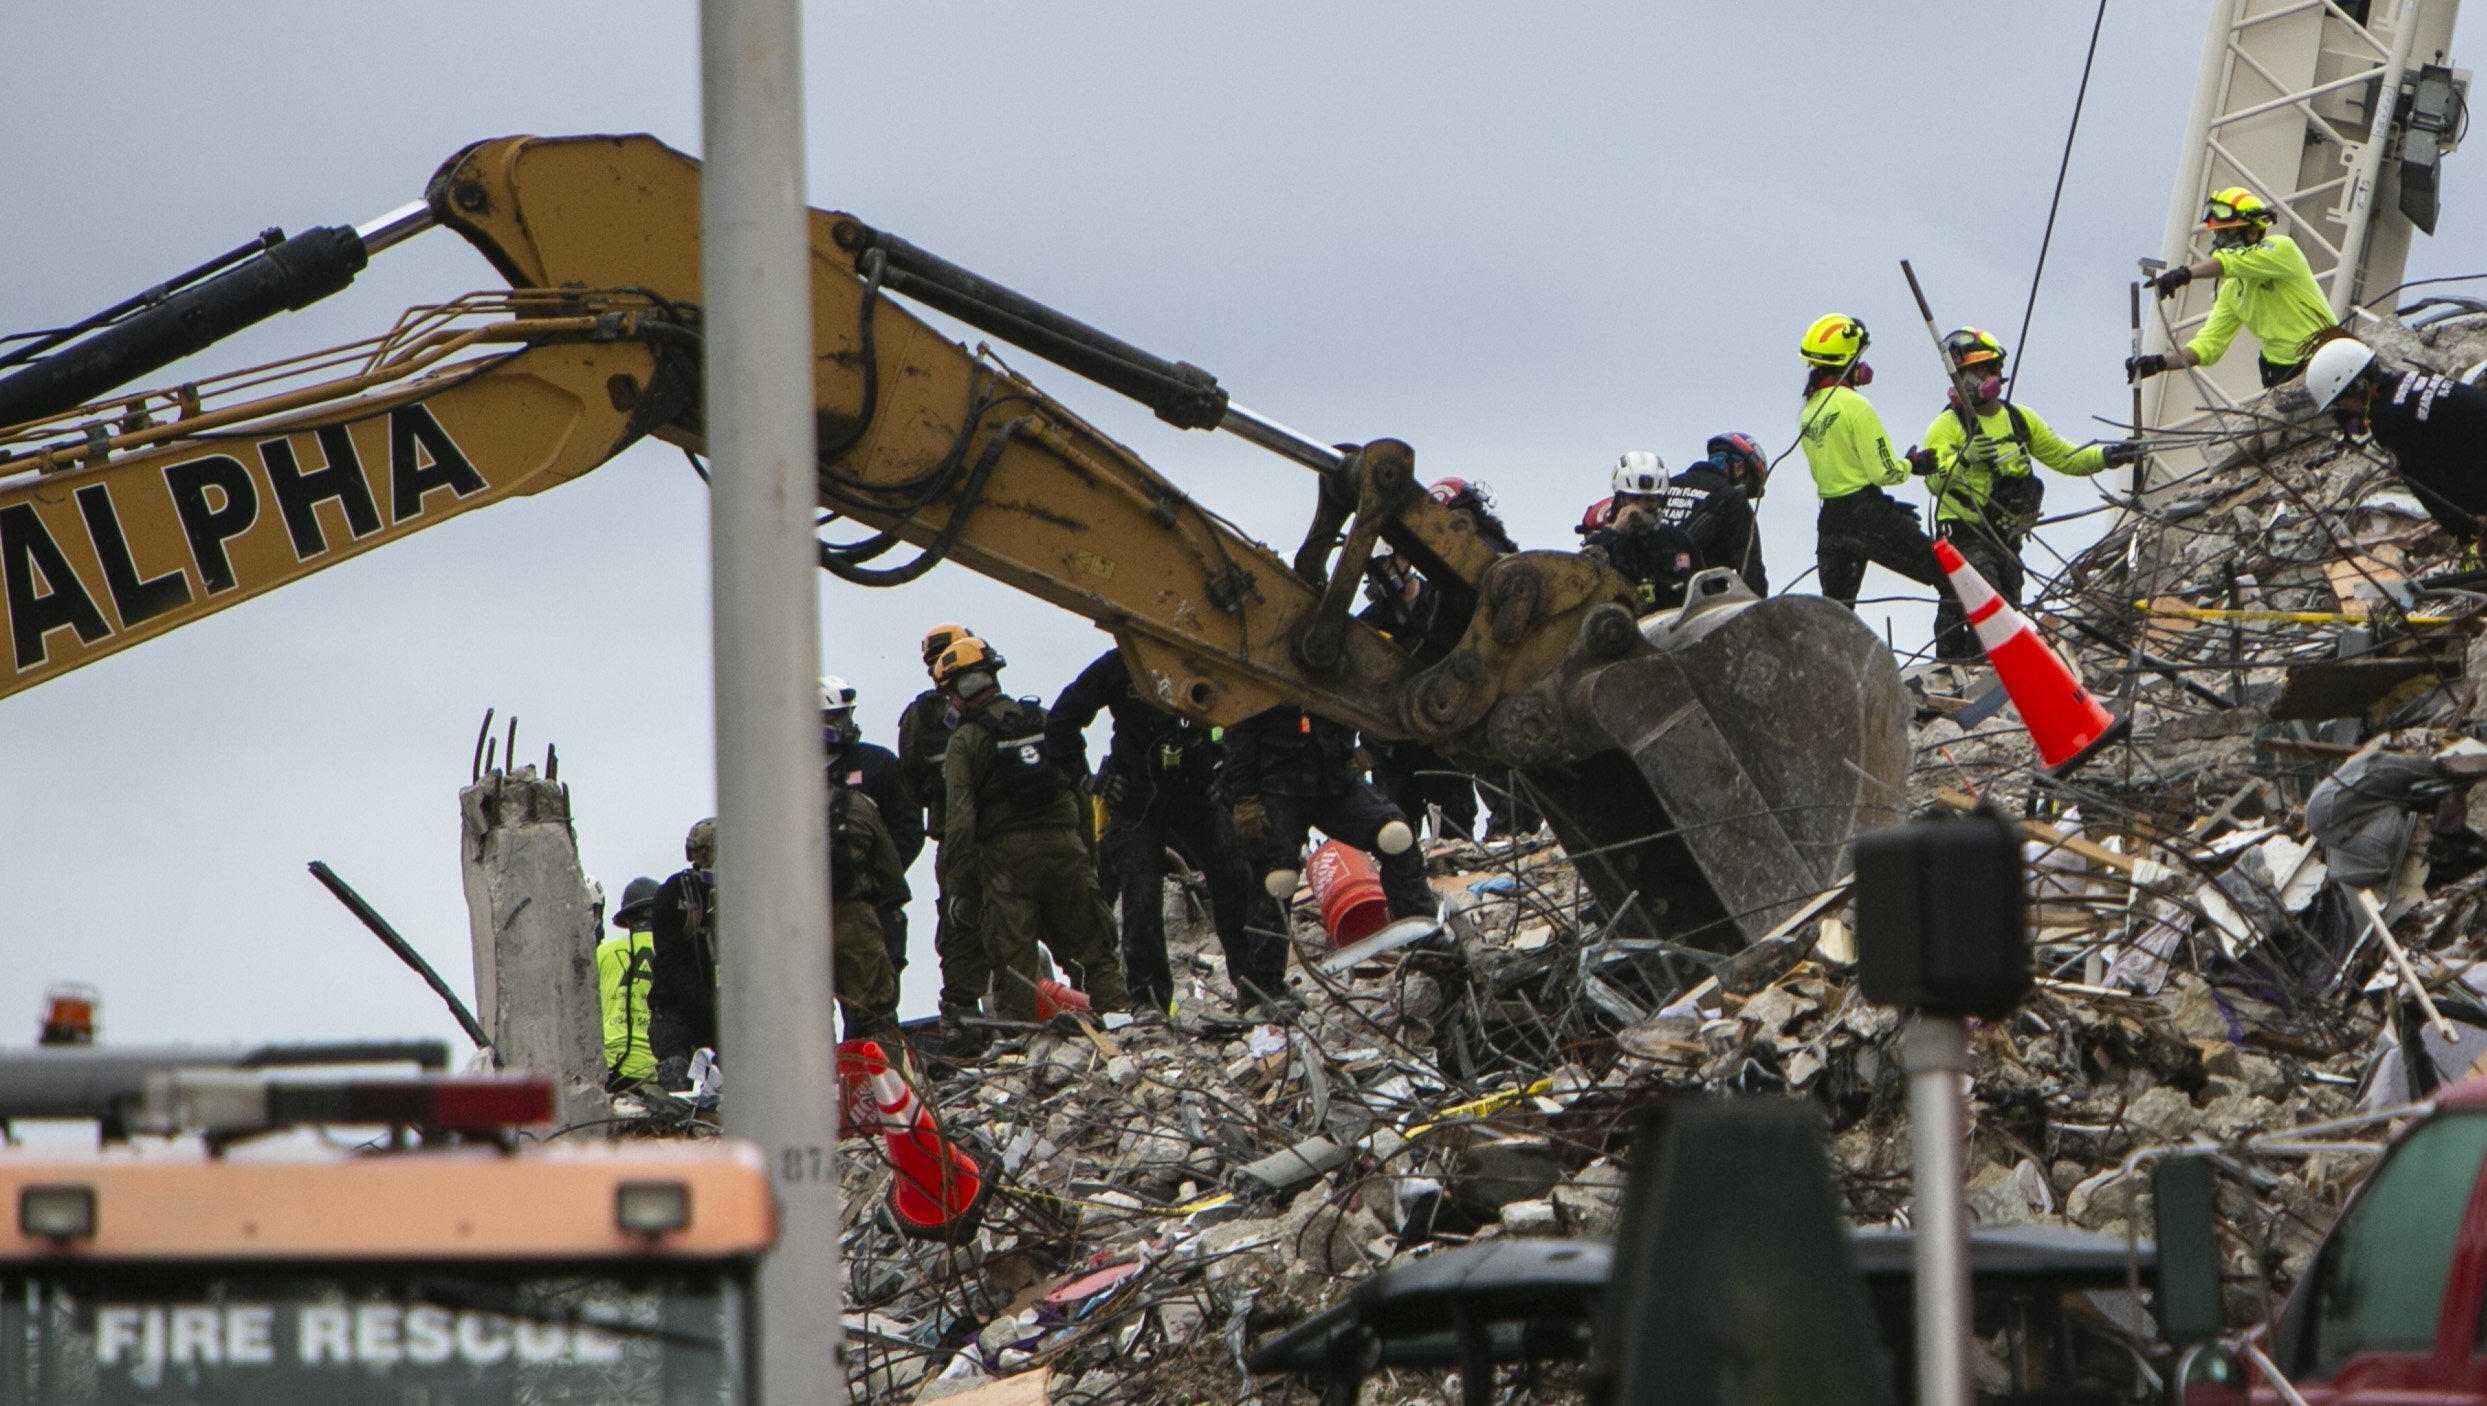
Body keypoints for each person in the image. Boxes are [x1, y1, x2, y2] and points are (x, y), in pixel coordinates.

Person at [1047, 647, 1289, 1015]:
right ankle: (1148, 999)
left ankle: (1254, 984)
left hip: (1194, 790)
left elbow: (1243, 713)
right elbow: (1062, 719)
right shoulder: (1120, 665)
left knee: (1234, 873)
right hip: (1136, 795)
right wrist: (1088, 779)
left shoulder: (1202, 657)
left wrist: (1224, 773)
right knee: (1141, 892)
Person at [936, 634, 1130, 1021]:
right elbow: (1079, 794)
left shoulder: (965, 740)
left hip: (1007, 864)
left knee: (1015, 968)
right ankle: (1122, 1026)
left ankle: (1024, 1049)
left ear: (956, 690)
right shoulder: (1043, 720)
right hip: (1066, 848)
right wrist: (1087, 857)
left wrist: (961, 890)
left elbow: (960, 822)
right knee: (1096, 951)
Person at [1918, 327, 2142, 661]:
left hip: (2007, 539)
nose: (1968, 382)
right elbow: (1934, 481)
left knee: (2009, 609)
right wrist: (1964, 458)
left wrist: (2109, 457)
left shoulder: (2020, 420)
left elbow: (2066, 457)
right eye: (1963, 374)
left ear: (1995, 373)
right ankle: (1958, 668)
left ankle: (1990, 670)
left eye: (1977, 372)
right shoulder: (1946, 427)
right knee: (1981, 604)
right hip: (1966, 534)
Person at [1220, 702, 1435, 924]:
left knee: (1395, 837)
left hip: (1336, 777)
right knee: (1277, 879)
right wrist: (1245, 796)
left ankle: (1425, 937)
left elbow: (1381, 697)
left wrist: (1373, 748)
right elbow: (1239, 728)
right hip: (1277, 786)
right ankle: (1265, 960)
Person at [1794, 312, 1947, 612]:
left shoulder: (1809, 411)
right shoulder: (1857, 406)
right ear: (1848, 359)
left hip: (1831, 521)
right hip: (1867, 513)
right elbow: (1884, 472)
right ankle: (1965, 654)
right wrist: (1912, 464)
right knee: (1951, 580)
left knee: (1836, 615)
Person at [2127, 186, 2334, 389]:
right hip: (2280, 374)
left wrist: (2185, 274)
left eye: (2227, 234)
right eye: (2218, 235)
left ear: (2252, 232)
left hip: (2326, 356)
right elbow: (2207, 347)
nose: (2219, 242)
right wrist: (2158, 363)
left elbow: (2228, 262)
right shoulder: (2231, 292)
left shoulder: (2282, 250)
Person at [897, 622, 992, 1030]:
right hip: (975, 834)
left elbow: (910, 781)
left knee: (964, 927)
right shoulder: (988, 705)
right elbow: (912, 780)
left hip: (964, 837)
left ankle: (965, 1020)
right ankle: (972, 1018)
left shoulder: (924, 714)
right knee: (971, 925)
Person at [2305, 335, 2487, 540]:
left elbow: (2430, 488)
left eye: (2341, 403)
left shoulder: (2387, 421)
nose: (2344, 410)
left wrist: (2468, 536)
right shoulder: (2408, 379)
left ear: (2357, 387)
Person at [820, 673, 921, 978]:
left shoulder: (878, 764)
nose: (845, 724)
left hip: (874, 907)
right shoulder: (787, 774)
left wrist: (876, 882)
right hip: (811, 914)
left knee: (874, 1005)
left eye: (847, 715)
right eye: (835, 717)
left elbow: (908, 829)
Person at [825, 773, 905, 1039]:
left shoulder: (774, 813)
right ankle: (887, 1074)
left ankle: (819, 1077)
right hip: (856, 917)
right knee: (876, 1010)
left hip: (798, 925)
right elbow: (891, 872)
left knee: (808, 1016)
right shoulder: (857, 805)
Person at [646, 818, 719, 1084]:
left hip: (721, 1019)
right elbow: (669, 962)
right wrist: (710, 1003)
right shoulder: (675, 895)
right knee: (677, 1084)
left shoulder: (743, 895)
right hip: (676, 1017)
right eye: (698, 852)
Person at [596, 876, 660, 1091]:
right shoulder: (676, 954)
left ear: (628, 921)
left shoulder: (602, 954)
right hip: (659, 1070)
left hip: (613, 1069)